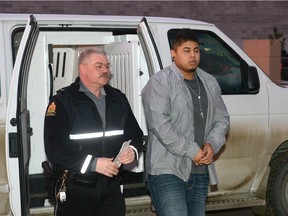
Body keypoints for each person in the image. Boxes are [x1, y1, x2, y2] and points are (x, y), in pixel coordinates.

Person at [44, 47, 143, 216]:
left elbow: (135, 133)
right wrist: (93, 163)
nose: (105, 70)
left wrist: (132, 150)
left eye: (107, 66)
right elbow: (55, 148)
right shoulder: (63, 101)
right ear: (83, 68)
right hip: (76, 187)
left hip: (111, 187)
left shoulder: (117, 98)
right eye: (99, 66)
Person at [141, 28, 230, 216]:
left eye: (196, 50)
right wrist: (192, 150)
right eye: (186, 50)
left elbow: (222, 119)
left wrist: (212, 145)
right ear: (173, 54)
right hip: (167, 169)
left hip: (200, 170)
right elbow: (159, 125)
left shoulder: (210, 82)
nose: (193, 56)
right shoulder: (159, 82)